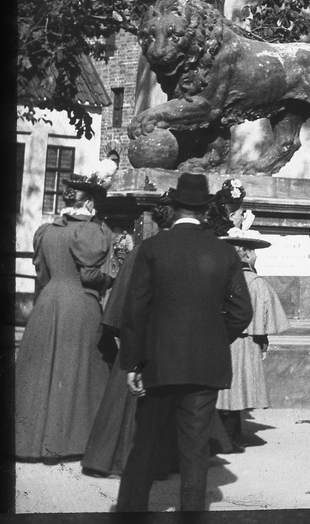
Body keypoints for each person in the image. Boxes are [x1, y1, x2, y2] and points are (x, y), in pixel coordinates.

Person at [114, 172, 252, 514]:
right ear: (206, 210)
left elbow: (135, 312)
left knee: (145, 443)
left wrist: (134, 364)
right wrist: (215, 340)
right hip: (206, 367)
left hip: (158, 364)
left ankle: (131, 512)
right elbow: (241, 311)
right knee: (195, 449)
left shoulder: (152, 248)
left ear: (173, 208)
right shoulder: (224, 253)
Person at [82, 194, 232, 478]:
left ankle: (119, 458)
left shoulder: (145, 250)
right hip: (171, 347)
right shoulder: (180, 251)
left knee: (132, 401)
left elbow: (122, 301)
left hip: (142, 344)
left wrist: (121, 333)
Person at [13, 169, 114, 460]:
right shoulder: (89, 231)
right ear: (90, 204)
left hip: (48, 301)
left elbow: (42, 273)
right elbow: (91, 274)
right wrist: (110, 282)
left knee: (42, 371)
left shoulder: (47, 231)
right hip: (79, 304)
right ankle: (69, 441)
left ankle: (33, 442)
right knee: (76, 371)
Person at [215, 216, 289, 450]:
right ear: (246, 254)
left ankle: (231, 436)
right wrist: (263, 342)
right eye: (253, 252)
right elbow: (265, 319)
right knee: (237, 392)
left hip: (226, 340)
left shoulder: (222, 281)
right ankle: (228, 439)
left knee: (228, 393)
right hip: (246, 344)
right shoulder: (257, 284)